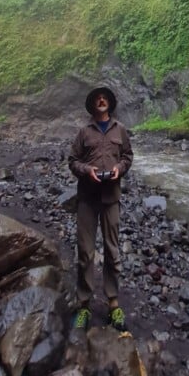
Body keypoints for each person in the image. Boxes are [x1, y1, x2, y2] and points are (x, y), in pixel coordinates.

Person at [68, 85, 133, 331]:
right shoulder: (84, 132)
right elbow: (72, 161)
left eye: (105, 98)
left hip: (111, 197)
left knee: (112, 250)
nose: (102, 100)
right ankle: (84, 304)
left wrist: (119, 169)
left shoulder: (120, 130)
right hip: (87, 198)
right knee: (85, 252)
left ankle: (113, 304)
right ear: (93, 104)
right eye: (98, 98)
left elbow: (128, 156)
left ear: (110, 104)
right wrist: (87, 171)